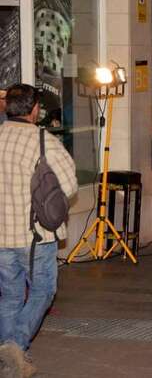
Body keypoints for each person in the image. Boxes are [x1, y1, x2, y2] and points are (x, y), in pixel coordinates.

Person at [0, 84, 78, 377]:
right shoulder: (44, 141)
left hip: (1, 235)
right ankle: (15, 345)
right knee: (43, 290)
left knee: (9, 295)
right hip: (35, 236)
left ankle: (8, 358)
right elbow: (69, 185)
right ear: (34, 109)